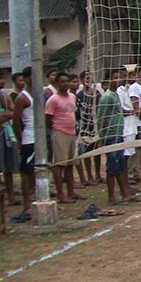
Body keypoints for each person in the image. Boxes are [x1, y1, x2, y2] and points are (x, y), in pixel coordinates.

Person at [97, 70, 137, 205]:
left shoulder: (116, 95)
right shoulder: (106, 97)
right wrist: (101, 138)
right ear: (107, 82)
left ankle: (125, 194)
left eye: (119, 78)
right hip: (110, 135)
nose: (118, 80)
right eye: (114, 78)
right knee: (112, 167)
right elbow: (101, 118)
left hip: (118, 134)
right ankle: (111, 197)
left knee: (120, 165)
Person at [45, 71, 79, 204]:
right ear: (57, 83)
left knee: (70, 164)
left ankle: (71, 192)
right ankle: (61, 194)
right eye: (62, 82)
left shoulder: (72, 97)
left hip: (72, 133)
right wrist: (56, 129)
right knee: (59, 164)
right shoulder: (53, 100)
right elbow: (48, 118)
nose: (65, 84)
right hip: (59, 132)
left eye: (67, 81)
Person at [11, 67, 36, 214]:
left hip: (38, 138)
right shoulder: (22, 98)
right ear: (26, 78)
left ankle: (35, 198)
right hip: (28, 138)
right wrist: (19, 141)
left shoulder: (39, 94)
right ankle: (27, 203)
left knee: (37, 170)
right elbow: (16, 121)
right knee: (26, 172)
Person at [0, 69, 19, 206]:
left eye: (3, 78)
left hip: (6, 133)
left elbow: (15, 112)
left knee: (9, 167)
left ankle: (11, 197)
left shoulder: (5, 96)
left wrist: (3, 115)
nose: (2, 81)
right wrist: (7, 114)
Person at [75, 71, 102, 186]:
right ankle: (89, 176)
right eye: (87, 78)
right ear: (82, 80)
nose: (89, 80)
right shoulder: (80, 95)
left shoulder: (97, 93)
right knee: (87, 151)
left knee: (98, 151)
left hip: (96, 125)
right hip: (85, 126)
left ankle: (98, 174)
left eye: (91, 78)